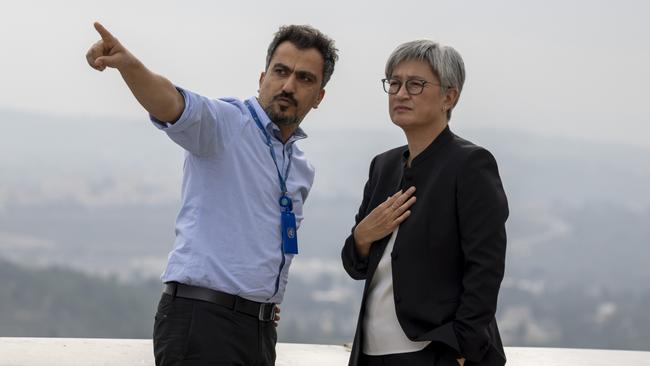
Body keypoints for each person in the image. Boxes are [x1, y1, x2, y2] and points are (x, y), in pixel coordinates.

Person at [86, 22, 338, 365]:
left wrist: (261, 301)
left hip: (259, 330)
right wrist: (129, 65)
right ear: (262, 77)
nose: (289, 85)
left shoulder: (300, 168)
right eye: (281, 71)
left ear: (319, 96)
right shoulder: (224, 124)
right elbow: (171, 103)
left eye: (305, 78)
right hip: (201, 321)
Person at [341, 40, 509, 366]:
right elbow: (354, 265)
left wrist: (462, 349)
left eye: (415, 84)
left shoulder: (470, 164)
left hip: (436, 351)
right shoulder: (383, 166)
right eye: (394, 83)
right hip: (371, 352)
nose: (401, 93)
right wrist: (363, 236)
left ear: (449, 96)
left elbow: (486, 267)